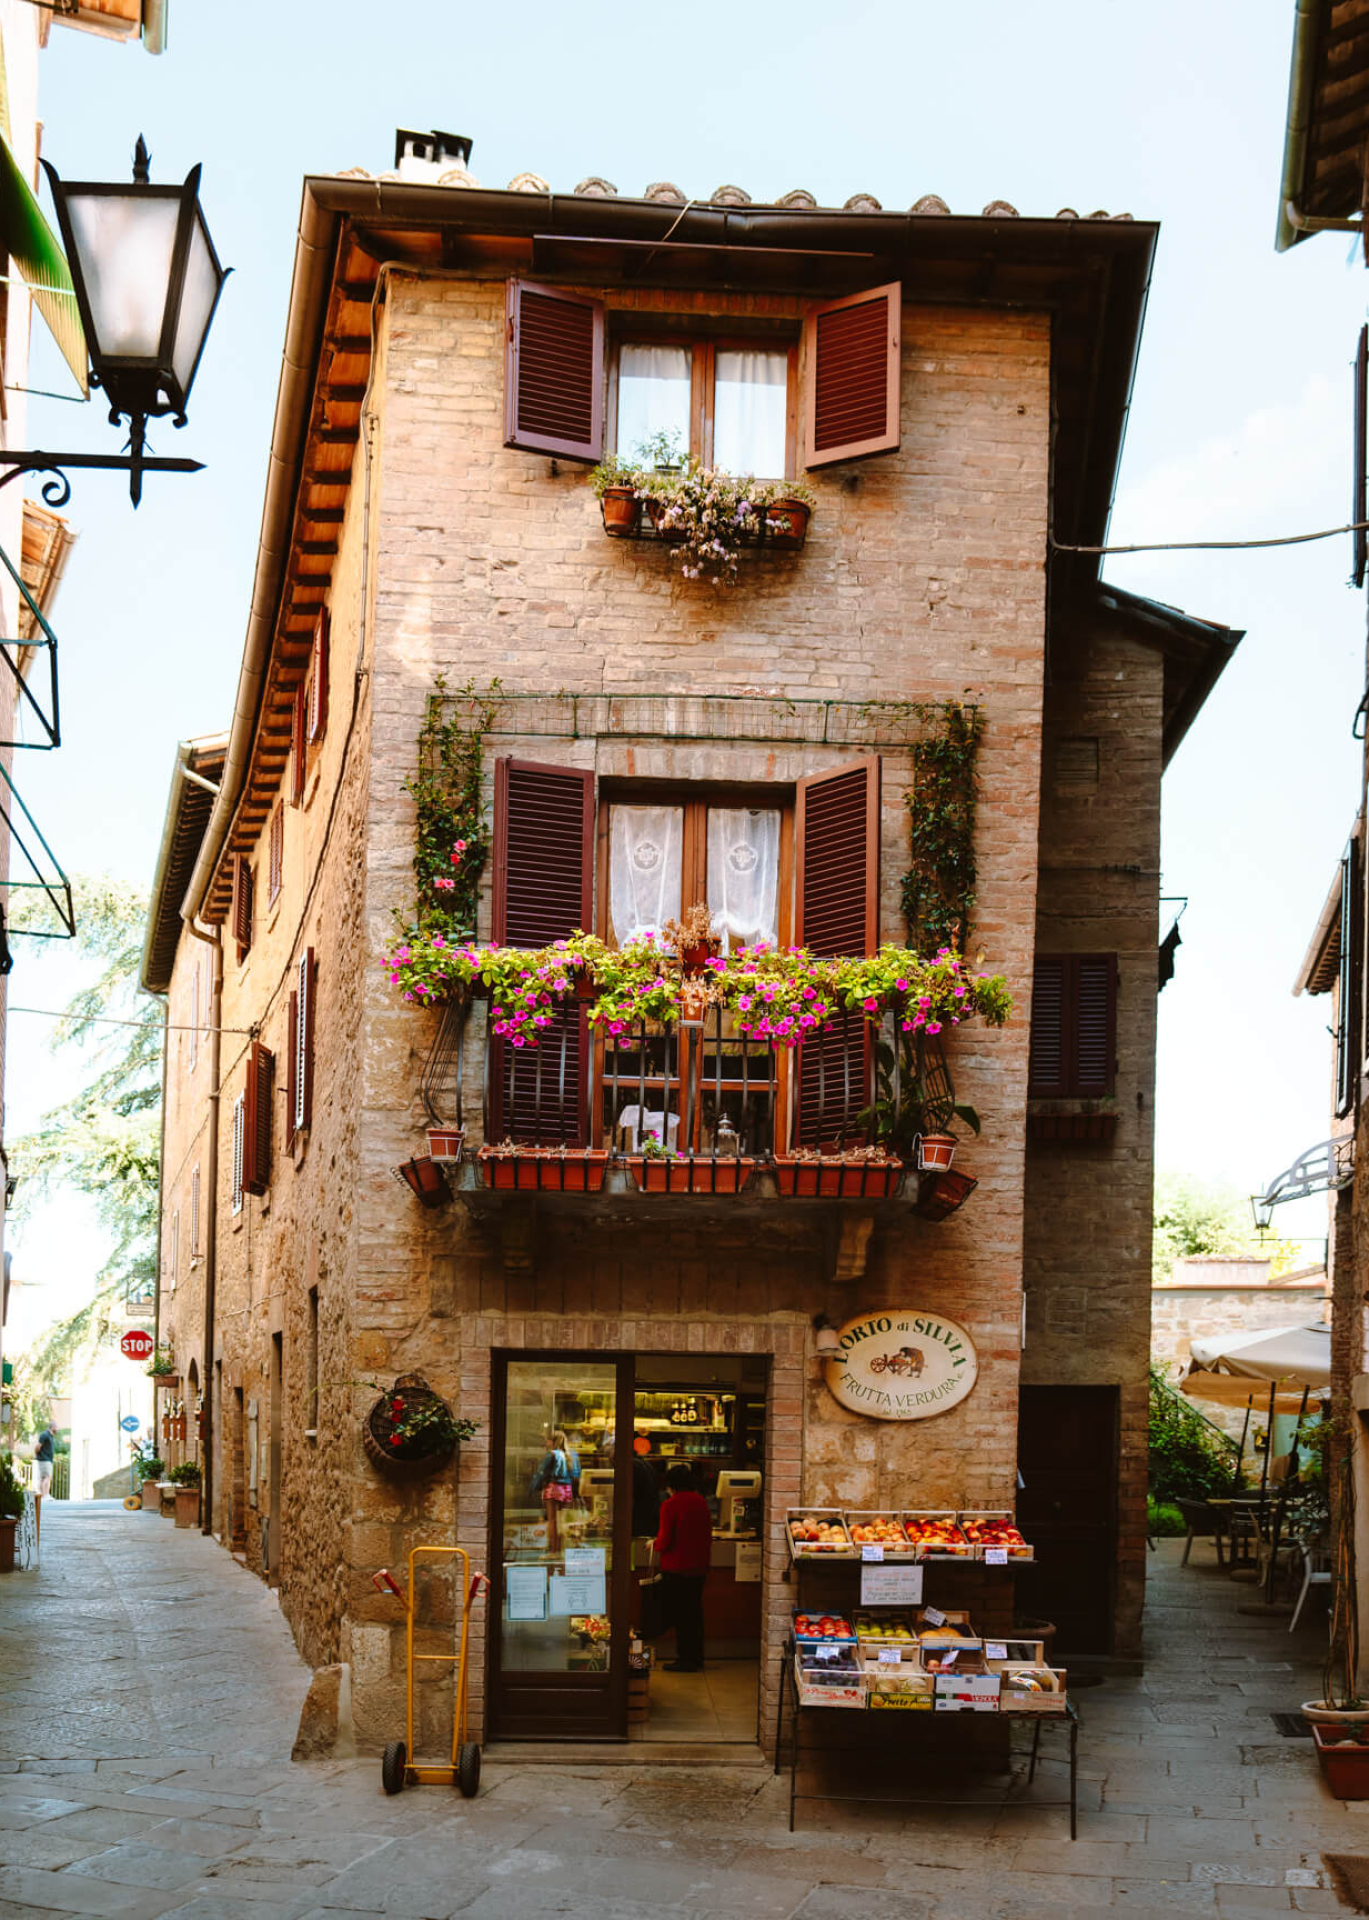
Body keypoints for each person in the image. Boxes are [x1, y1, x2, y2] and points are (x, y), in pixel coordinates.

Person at [654, 1462, 711, 1672]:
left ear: (671, 1485)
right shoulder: (701, 1502)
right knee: (694, 1615)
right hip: (699, 1568)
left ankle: (684, 1659)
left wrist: (655, 1544)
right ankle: (696, 1658)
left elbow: (665, 1540)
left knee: (681, 1616)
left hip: (677, 1567)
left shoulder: (670, 1505)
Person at [531, 1428, 580, 1550]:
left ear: (553, 1441)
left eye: (548, 1440)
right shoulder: (572, 1455)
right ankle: (562, 1548)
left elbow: (541, 1473)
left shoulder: (552, 1454)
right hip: (567, 1489)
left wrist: (533, 1487)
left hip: (553, 1488)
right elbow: (576, 1474)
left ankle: (554, 1549)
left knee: (552, 1521)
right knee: (563, 1521)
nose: (546, 1443)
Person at [33, 1425, 55, 1501]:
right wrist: (36, 1455)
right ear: (53, 1427)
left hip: (47, 1460)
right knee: (47, 1477)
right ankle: (45, 1495)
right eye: (57, 1427)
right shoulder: (45, 1435)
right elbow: (38, 1446)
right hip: (44, 1459)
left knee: (45, 1477)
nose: (58, 1429)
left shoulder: (50, 1436)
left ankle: (44, 1495)